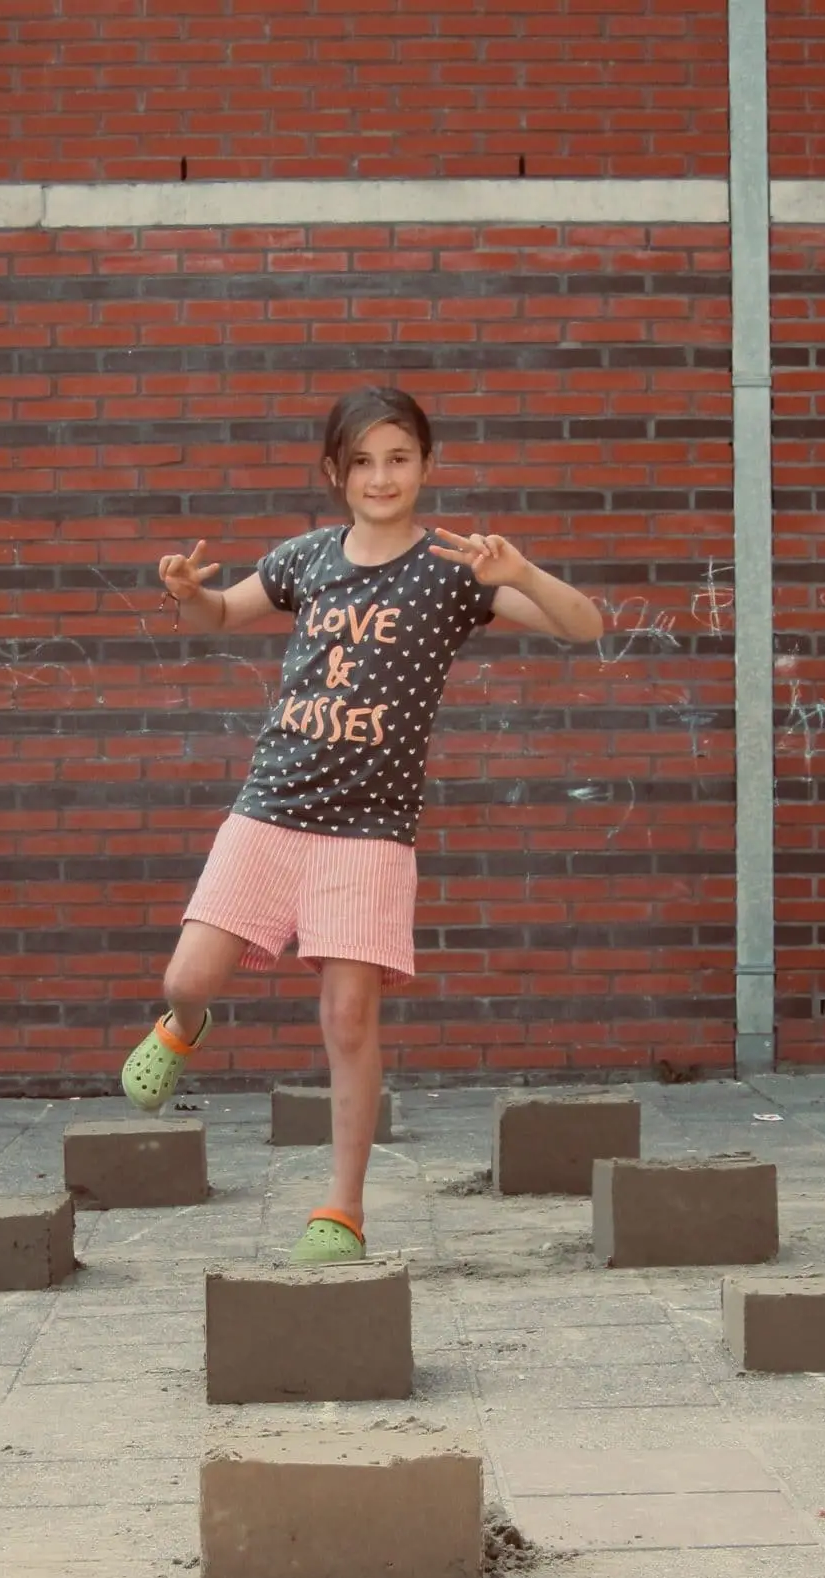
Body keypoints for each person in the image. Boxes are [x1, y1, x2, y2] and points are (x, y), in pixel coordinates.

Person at [122, 386, 603, 1263]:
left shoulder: (456, 569)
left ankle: (340, 1211)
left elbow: (584, 627)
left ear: (426, 465)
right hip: (270, 808)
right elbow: (219, 614)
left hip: (370, 830)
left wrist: (521, 574)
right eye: (363, 462)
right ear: (334, 473)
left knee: (348, 1017)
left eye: (399, 459)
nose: (382, 477)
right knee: (186, 976)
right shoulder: (304, 558)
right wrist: (187, 593)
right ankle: (182, 1028)